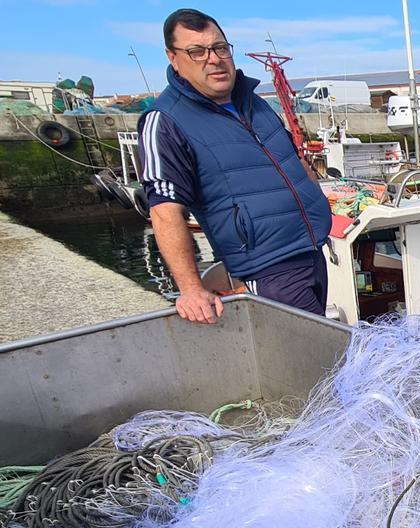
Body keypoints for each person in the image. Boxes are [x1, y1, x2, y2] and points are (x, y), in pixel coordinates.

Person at [138, 8, 332, 324]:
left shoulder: (254, 102)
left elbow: (293, 160)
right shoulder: (166, 121)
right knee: (308, 360)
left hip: (311, 248)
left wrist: (320, 205)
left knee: (320, 349)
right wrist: (190, 288)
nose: (213, 59)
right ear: (173, 58)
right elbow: (164, 209)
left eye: (220, 48)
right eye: (197, 52)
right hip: (268, 268)